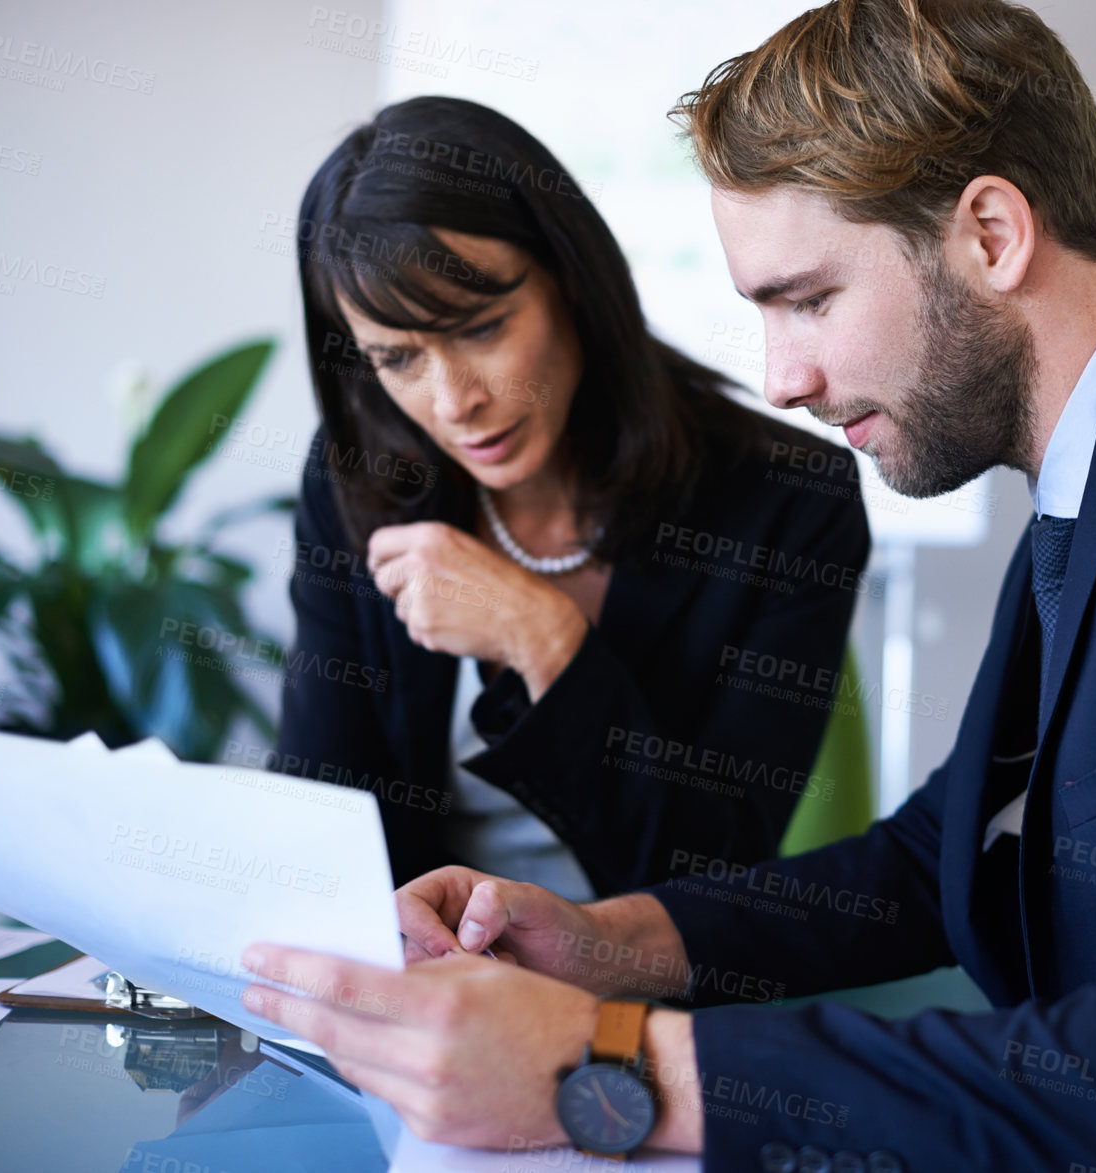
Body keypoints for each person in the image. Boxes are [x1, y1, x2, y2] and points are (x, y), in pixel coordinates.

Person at [242, 3, 1096, 1170]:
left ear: (993, 234)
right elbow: (927, 858)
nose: (780, 376)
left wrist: (611, 1070)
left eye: (809, 298)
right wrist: (601, 948)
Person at [271, 97, 872, 899]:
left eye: (481, 328)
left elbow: (716, 875)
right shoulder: (359, 472)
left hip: (640, 1011)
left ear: (573, 284)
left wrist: (545, 640)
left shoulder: (789, 502)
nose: (454, 401)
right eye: (398, 358)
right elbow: (323, 814)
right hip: (417, 990)